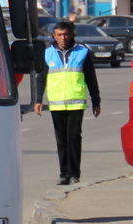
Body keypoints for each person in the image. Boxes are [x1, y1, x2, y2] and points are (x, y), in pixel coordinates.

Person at [34, 21, 101, 185]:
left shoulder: (83, 53)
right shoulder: (47, 54)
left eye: (66, 34)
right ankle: (64, 174)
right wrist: (38, 100)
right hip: (56, 103)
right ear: (53, 36)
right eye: (59, 35)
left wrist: (96, 101)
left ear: (72, 34)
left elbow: (91, 79)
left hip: (76, 103)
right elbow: (41, 79)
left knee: (74, 138)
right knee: (61, 140)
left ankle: (74, 173)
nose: (63, 38)